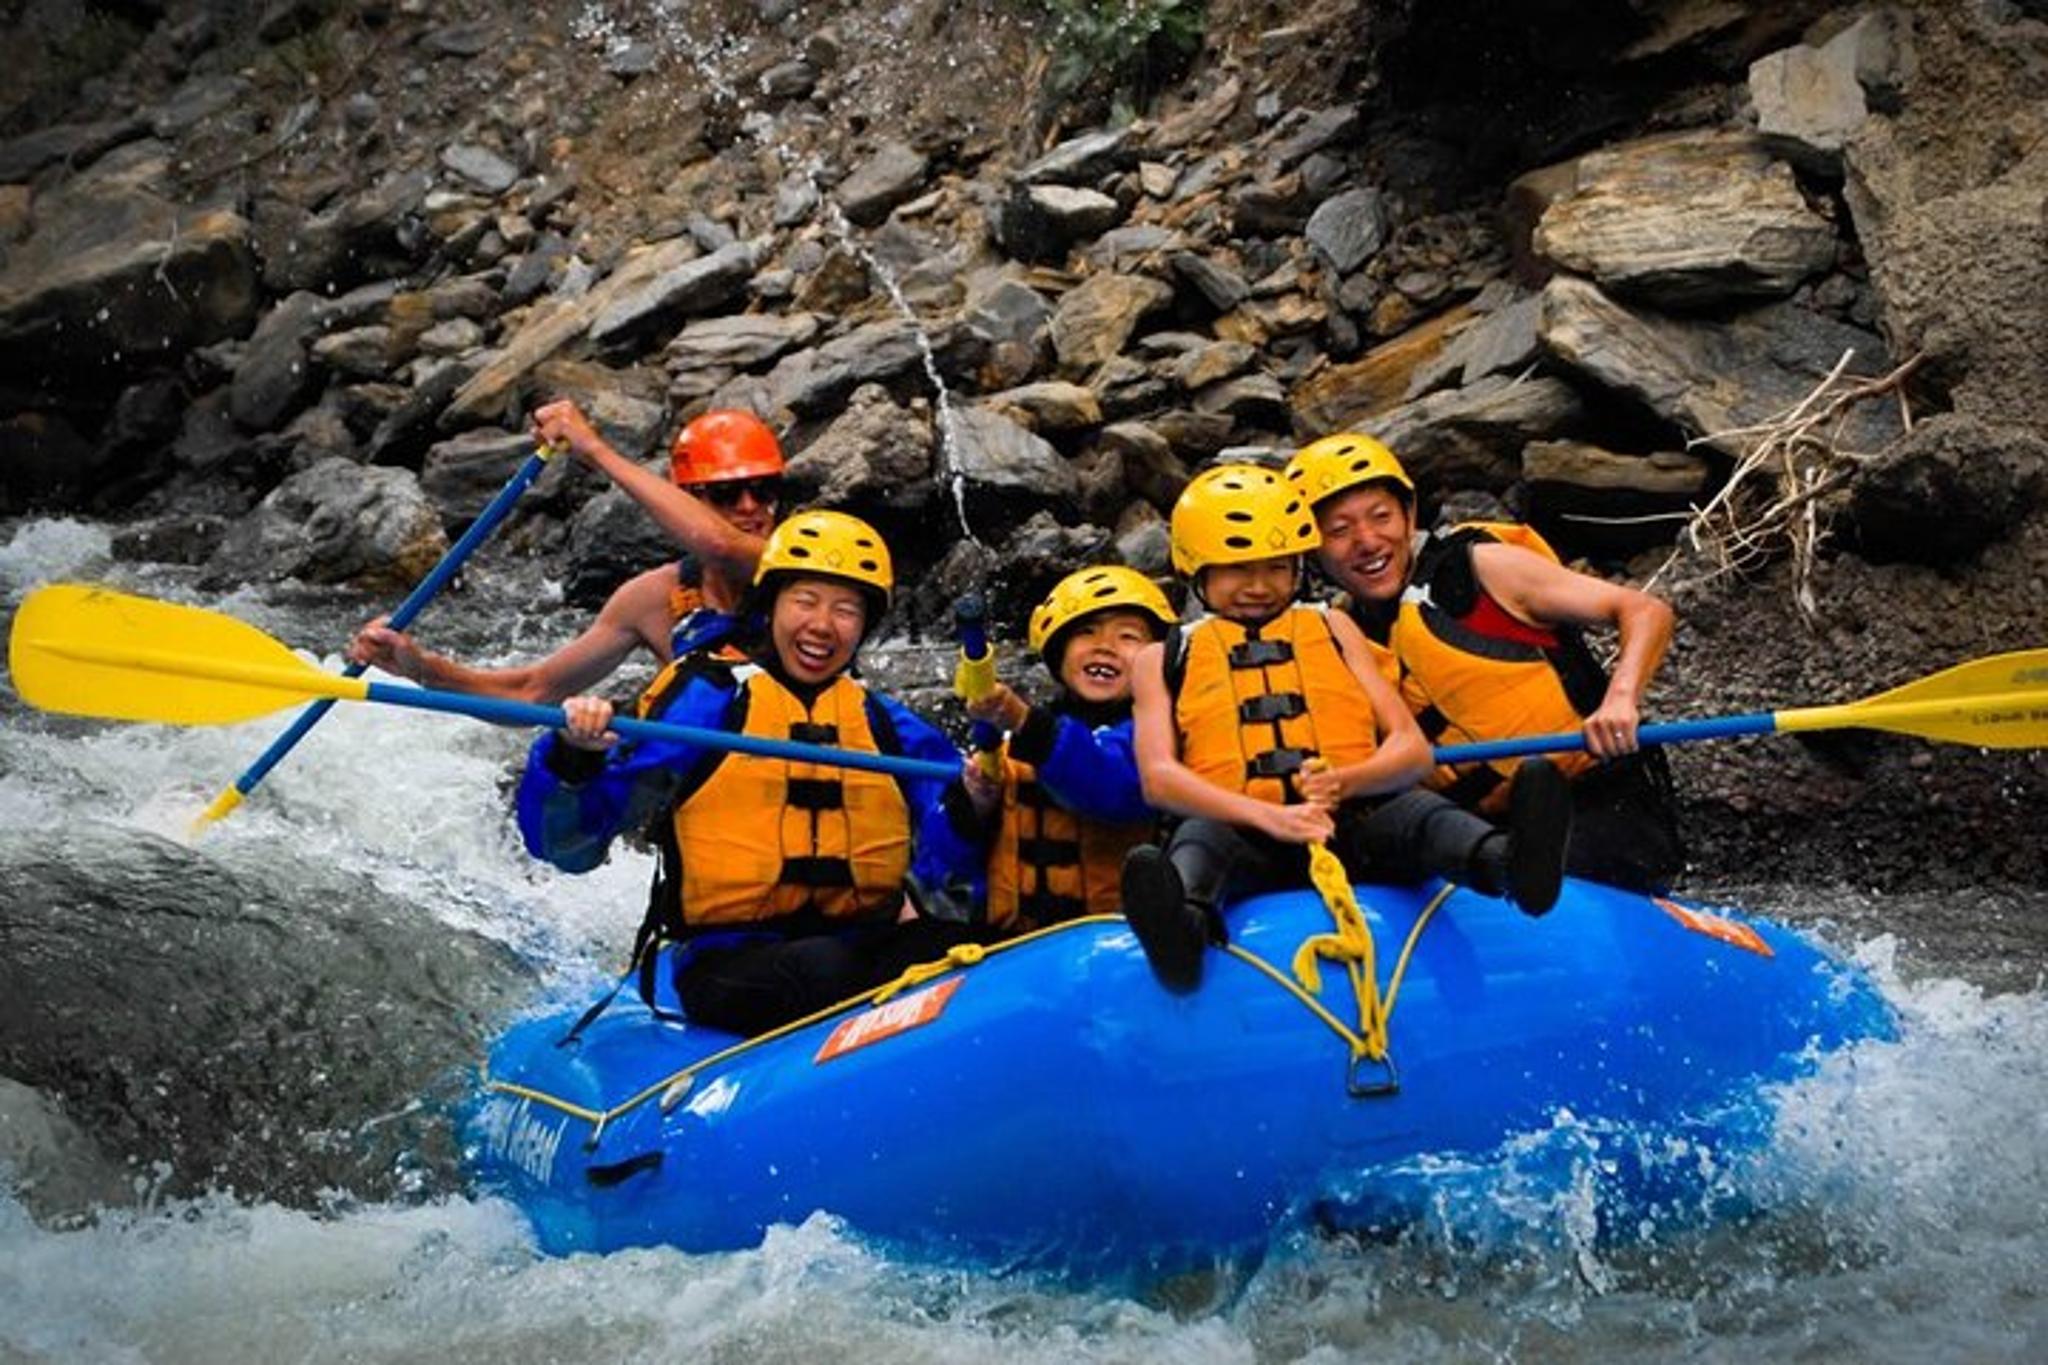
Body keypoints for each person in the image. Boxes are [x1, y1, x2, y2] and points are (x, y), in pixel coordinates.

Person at [515, 509, 981, 1037]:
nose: (823, 626)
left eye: (846, 610)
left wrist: (978, 802)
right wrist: (576, 755)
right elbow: (569, 846)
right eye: (805, 601)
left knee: (958, 945)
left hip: (857, 943)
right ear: (771, 604)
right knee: (823, 970)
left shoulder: (884, 723)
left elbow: (954, 856)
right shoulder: (710, 700)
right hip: (728, 962)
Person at [1120, 464, 1573, 994]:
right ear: (1197, 571)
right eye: (1238, 570)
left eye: (1277, 567)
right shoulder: (1163, 657)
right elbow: (1159, 779)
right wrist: (1271, 815)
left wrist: (1346, 782)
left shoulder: (1334, 627)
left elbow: (1411, 751)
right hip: (1245, 837)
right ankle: (1183, 930)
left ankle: (1509, 867)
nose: (1260, 587)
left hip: (1349, 829)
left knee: (1417, 811)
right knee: (1200, 837)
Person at [1283, 433, 1684, 891]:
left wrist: (1621, 699)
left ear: (1408, 515)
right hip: (1480, 833)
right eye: (1339, 531)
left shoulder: (1482, 567)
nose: (1367, 541)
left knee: (1546, 880)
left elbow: (1644, 611)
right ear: (1311, 552)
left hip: (1596, 796)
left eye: (1381, 517)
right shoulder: (1343, 633)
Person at [348, 402, 783, 699]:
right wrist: (419, 667)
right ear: (687, 498)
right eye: (726, 494)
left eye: (764, 489)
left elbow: (720, 545)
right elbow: (531, 692)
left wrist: (593, 448)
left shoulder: (805, 563)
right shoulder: (652, 599)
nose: (750, 507)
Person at [933, 566, 1178, 933]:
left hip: (1116, 941)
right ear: (1058, 654)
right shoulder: (1013, 742)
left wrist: (1024, 724)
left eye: (1128, 636)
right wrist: (972, 807)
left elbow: (1111, 788)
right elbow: (943, 864)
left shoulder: (1158, 735)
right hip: (1017, 945)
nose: (1105, 646)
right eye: (1085, 632)